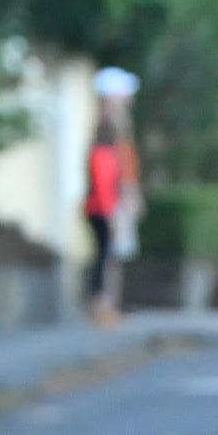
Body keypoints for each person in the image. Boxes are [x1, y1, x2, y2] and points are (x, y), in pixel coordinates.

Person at [83, 117, 121, 324]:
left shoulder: (95, 153)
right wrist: (109, 214)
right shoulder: (104, 155)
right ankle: (101, 305)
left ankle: (100, 304)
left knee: (101, 254)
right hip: (100, 209)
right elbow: (103, 185)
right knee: (104, 256)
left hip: (94, 208)